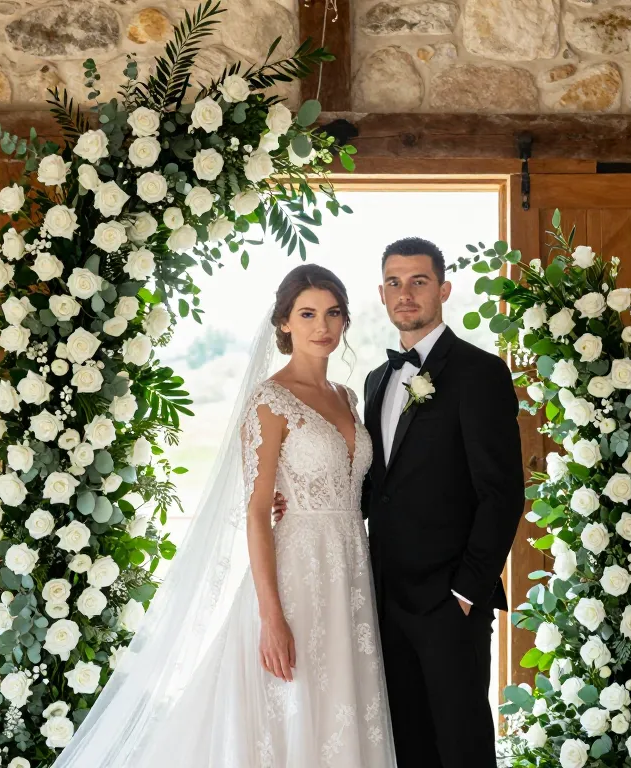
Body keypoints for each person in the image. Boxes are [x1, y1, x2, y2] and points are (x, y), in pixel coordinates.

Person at [51, 264, 397, 768]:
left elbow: (352, 489)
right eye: (307, 314)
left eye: (332, 313)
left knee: (343, 703)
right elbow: (258, 513)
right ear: (283, 323)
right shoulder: (270, 401)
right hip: (295, 574)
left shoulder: (346, 397)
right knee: (290, 708)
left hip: (350, 571)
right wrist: (271, 617)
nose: (322, 326)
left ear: (345, 321)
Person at [277, 237, 524, 768]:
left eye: (419, 281)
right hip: (380, 595)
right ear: (381, 293)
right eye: (394, 282)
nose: (405, 293)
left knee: (462, 745)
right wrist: (297, 499)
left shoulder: (480, 373)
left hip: (449, 601)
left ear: (443, 289)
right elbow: (375, 486)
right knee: (404, 743)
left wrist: (466, 590)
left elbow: (502, 494)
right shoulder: (374, 380)